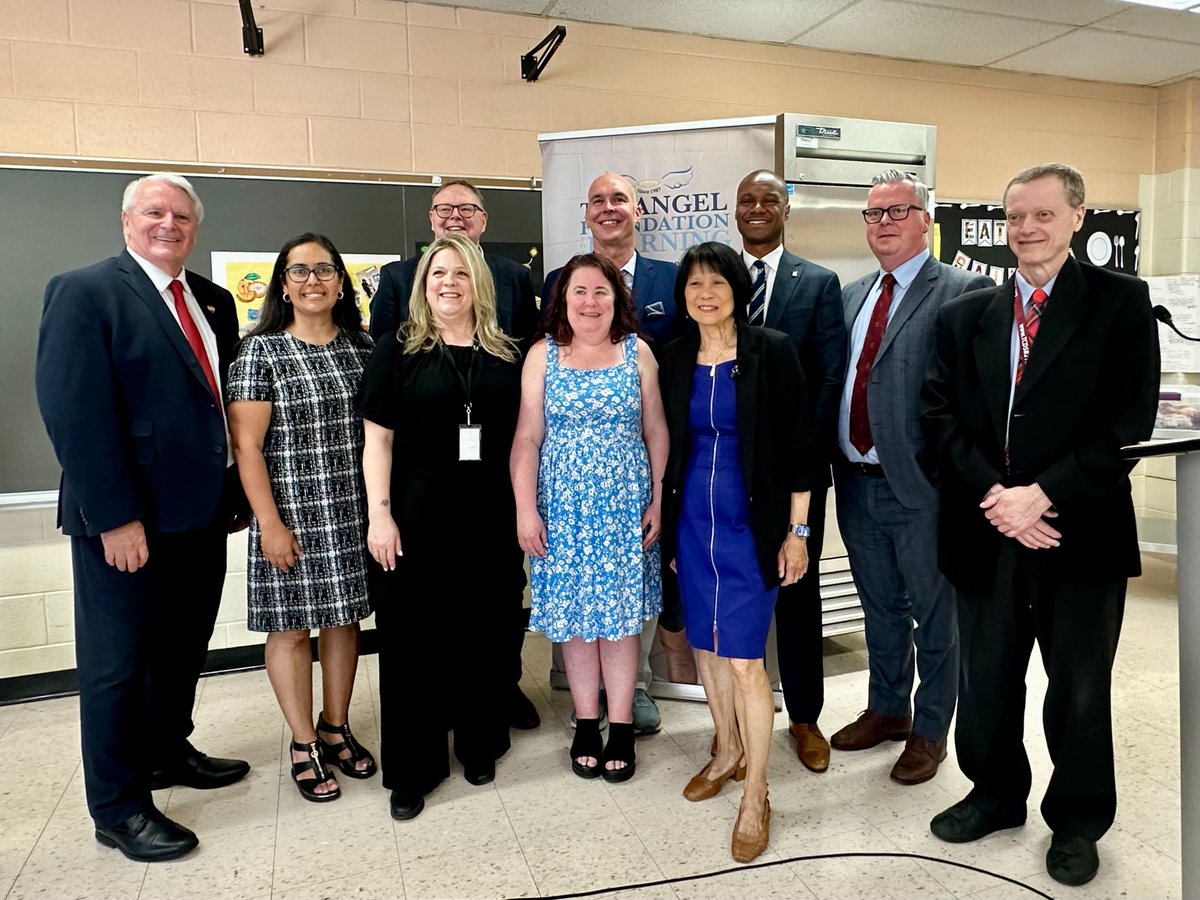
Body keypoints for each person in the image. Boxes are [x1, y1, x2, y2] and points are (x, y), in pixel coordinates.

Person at [922, 163, 1159, 886]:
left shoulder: (1120, 304)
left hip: (1079, 534)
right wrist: (999, 498)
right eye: (1016, 216)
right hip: (985, 530)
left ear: (1077, 218)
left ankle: (1078, 821)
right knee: (987, 679)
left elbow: (1126, 425)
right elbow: (938, 421)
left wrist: (1042, 496)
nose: (1027, 229)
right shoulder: (965, 316)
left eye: (1044, 214)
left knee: (1078, 689)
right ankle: (994, 794)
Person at [35, 173, 250, 862]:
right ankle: (118, 807)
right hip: (127, 521)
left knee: (182, 648)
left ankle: (166, 752)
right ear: (127, 221)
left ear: (196, 227)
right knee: (118, 666)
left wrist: (234, 494)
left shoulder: (212, 300)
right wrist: (115, 518)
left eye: (182, 216)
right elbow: (74, 413)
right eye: (154, 212)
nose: (169, 225)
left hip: (201, 513)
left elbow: (218, 407)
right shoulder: (85, 292)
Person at [830, 169, 993, 785]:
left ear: (926, 220)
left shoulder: (963, 289)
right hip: (856, 481)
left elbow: (975, 398)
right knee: (880, 609)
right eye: (874, 213)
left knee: (935, 616)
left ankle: (930, 729)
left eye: (898, 211)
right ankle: (888, 708)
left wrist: (956, 479)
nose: (885, 222)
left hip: (923, 488)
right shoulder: (852, 295)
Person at [360, 233, 525, 821]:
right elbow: (377, 441)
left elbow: (524, 440)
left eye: (459, 273)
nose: (448, 283)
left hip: (490, 513)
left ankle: (480, 743)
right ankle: (414, 768)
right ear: (422, 287)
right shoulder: (397, 350)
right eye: (437, 274)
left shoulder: (508, 352)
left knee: (485, 632)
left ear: (478, 282)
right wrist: (380, 515)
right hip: (417, 511)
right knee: (413, 642)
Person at [369, 178, 541, 731]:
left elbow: (528, 376)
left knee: (494, 605)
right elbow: (383, 416)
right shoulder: (397, 293)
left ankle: (495, 701)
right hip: (422, 486)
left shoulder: (513, 286)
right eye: (444, 208)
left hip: (490, 487)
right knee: (424, 612)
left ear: (484, 219)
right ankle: (433, 720)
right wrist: (380, 513)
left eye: (467, 208)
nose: (455, 217)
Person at [659, 241, 811, 864]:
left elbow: (801, 447)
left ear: (736, 290)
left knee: (746, 658)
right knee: (706, 645)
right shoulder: (673, 357)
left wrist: (797, 533)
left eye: (717, 282)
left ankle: (756, 793)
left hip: (754, 526)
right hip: (693, 525)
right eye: (694, 283)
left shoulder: (771, 351)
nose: (705, 293)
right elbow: (665, 445)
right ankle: (726, 749)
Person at [227, 233, 376, 804]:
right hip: (287, 512)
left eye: (324, 270)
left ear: (340, 282)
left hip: (352, 511)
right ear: (283, 285)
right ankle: (303, 742)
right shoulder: (259, 352)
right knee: (290, 630)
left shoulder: (363, 348)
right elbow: (246, 447)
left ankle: (336, 727)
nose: (312, 280)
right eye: (299, 271)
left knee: (344, 622)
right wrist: (268, 522)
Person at [511, 253, 667, 783]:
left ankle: (620, 726)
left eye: (601, 291)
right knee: (577, 624)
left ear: (617, 299)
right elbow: (527, 436)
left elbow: (656, 431)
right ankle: (584, 723)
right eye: (579, 291)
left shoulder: (638, 353)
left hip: (625, 505)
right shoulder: (543, 355)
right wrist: (525, 508)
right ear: (563, 300)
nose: (590, 302)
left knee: (620, 623)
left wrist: (658, 499)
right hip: (562, 508)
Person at [543, 172, 686, 732]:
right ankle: (589, 704)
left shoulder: (669, 279)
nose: (608, 208)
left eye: (619, 199)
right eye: (598, 200)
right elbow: (533, 423)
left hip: (639, 467)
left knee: (630, 601)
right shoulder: (556, 286)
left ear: (637, 210)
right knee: (582, 608)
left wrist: (660, 490)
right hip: (567, 491)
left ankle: (634, 692)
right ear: (585, 213)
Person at [734, 169, 847, 773]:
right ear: (735, 210)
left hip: (794, 473)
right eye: (746, 200)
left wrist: (803, 458)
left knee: (797, 593)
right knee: (735, 592)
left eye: (768, 200)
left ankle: (805, 718)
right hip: (726, 470)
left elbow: (829, 377)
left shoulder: (818, 283)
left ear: (786, 209)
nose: (757, 208)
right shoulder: (715, 279)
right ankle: (735, 722)